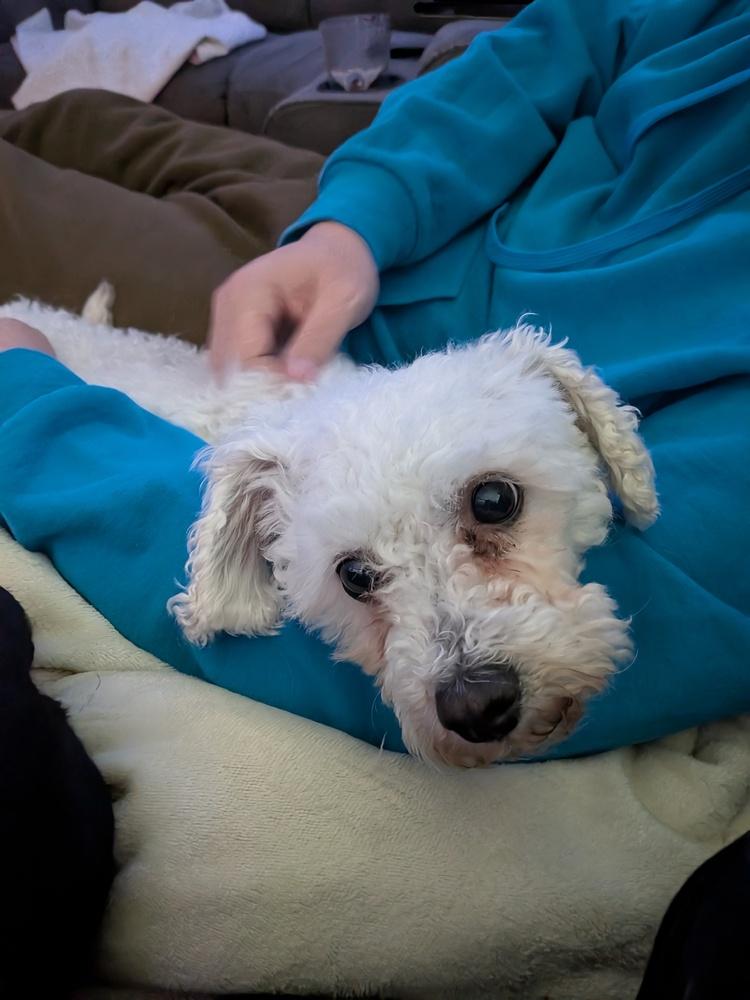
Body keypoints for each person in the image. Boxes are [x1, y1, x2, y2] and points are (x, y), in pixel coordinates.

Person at [0, 0, 748, 760]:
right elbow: (559, 45)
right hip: (367, 249)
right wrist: (352, 224)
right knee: (79, 120)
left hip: (281, 376)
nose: (459, 673)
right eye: (363, 577)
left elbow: (255, 642)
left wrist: (21, 395)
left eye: (492, 508)